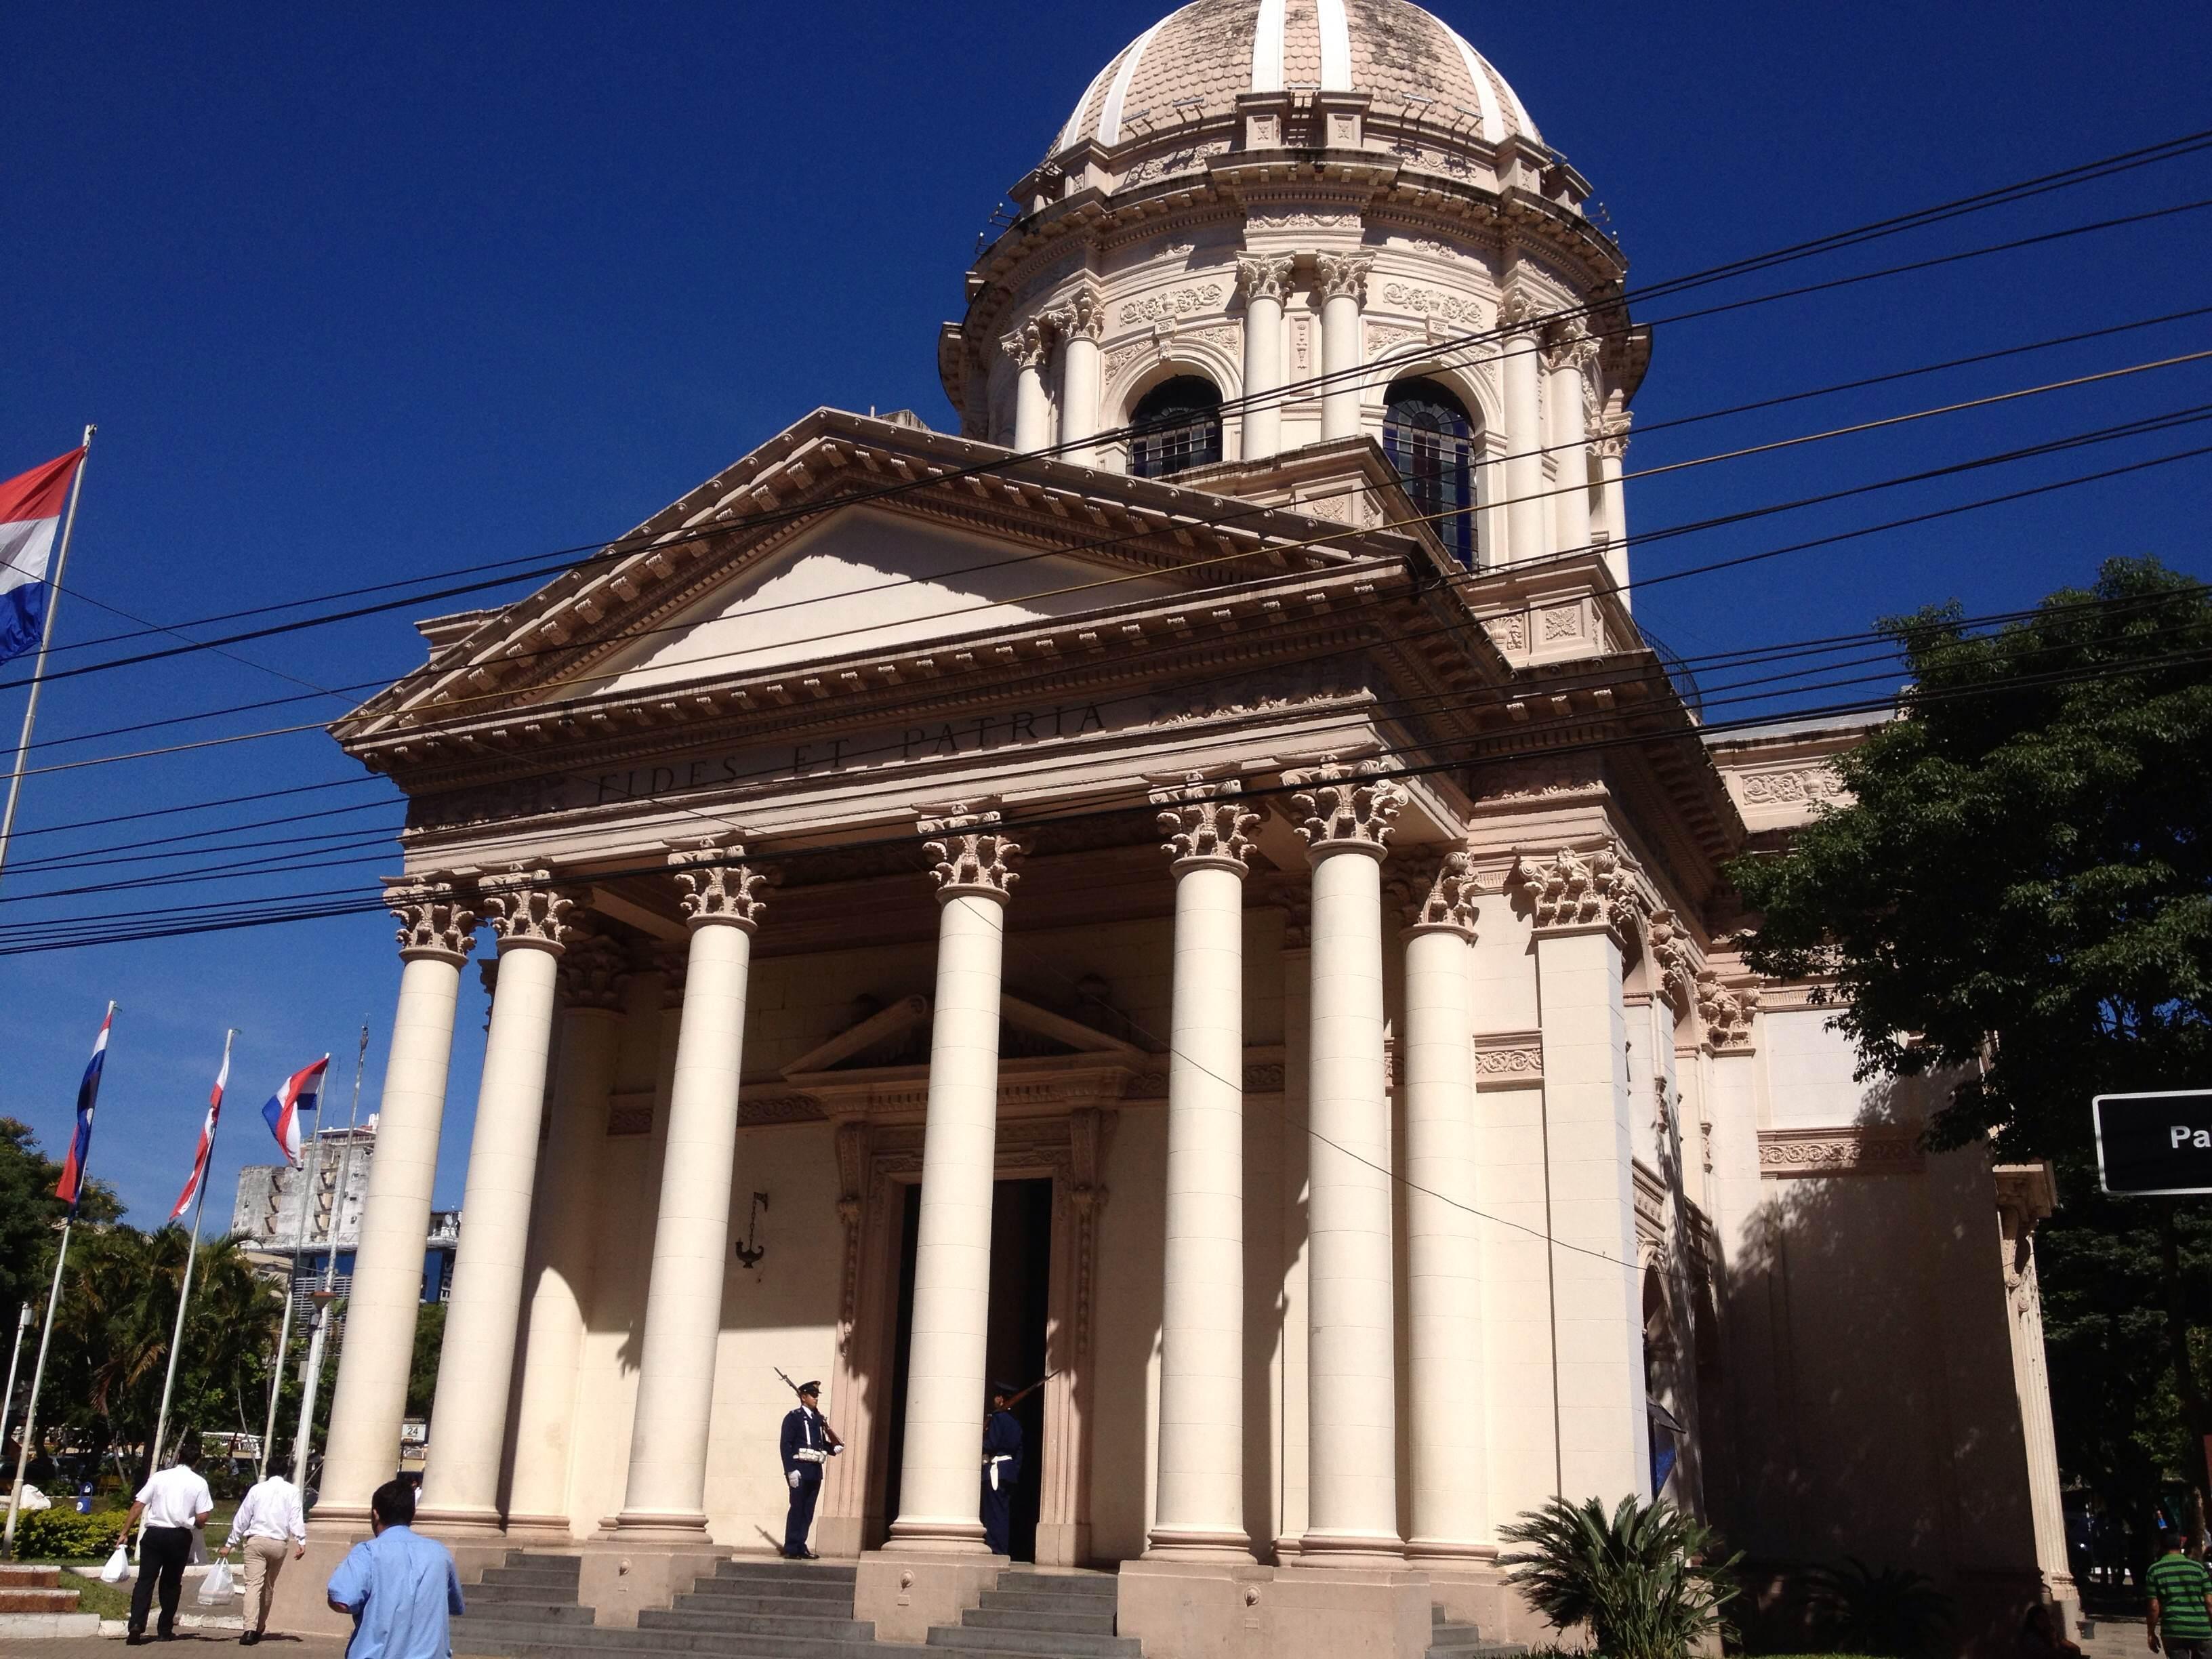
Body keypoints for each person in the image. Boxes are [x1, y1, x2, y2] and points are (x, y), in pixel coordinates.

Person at [325, 1478, 464, 1659]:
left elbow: (342, 1601)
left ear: (375, 1514)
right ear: (411, 1515)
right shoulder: (440, 1554)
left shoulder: (368, 1552)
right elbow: (455, 1604)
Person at [120, 1443, 214, 1645]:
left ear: (178, 1456)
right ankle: (164, 1630)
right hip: (179, 1537)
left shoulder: (160, 1477)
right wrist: (197, 1524)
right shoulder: (199, 1483)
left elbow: (138, 1505)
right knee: (171, 1584)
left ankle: (136, 1625)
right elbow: (203, 1516)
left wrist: (125, 1532)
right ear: (197, 1461)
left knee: (145, 1581)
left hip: (154, 1534)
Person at [220, 1462, 308, 1645]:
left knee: (253, 1586)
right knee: (268, 1586)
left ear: (267, 1471)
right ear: (285, 1472)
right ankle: (260, 1626)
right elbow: (295, 1516)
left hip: (256, 1541)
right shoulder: (292, 1491)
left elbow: (243, 1517)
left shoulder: (257, 1490)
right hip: (278, 1544)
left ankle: (249, 1630)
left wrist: (230, 1543)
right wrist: (301, 1540)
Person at [779, 1380, 841, 1559]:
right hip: (799, 1470)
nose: (816, 1399)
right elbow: (786, 1446)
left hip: (815, 1471)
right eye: (813, 1395)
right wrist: (790, 1470)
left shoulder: (817, 1419)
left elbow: (818, 1444)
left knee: (808, 1511)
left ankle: (801, 1545)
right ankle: (792, 1547)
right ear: (803, 1397)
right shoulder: (793, 1418)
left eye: (817, 1396)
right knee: (797, 1508)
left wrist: (833, 1449)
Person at [2148, 1531, 2212, 1659]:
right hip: (2201, 1629)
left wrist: (2151, 1633)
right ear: (2181, 1544)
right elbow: (2210, 1603)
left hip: (2173, 1630)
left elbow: (2154, 1607)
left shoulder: (2155, 1570)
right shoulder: (2198, 1569)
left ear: (2161, 1546)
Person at [979, 1382, 1024, 1558]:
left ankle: (995, 1548)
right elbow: (1019, 1452)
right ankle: (1001, 1547)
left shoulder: (999, 1418)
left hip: (996, 1470)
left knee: (993, 1512)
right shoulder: (1015, 1422)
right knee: (1002, 1512)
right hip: (1008, 1471)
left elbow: (993, 1443)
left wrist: (978, 1440)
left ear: (1001, 1399)